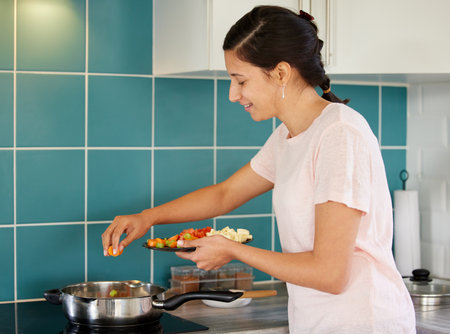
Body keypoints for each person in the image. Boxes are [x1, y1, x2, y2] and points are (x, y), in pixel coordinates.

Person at [102, 6, 415, 333]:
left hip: (365, 322)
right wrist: (147, 218)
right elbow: (225, 194)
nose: (233, 95)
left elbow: (330, 274)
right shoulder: (289, 136)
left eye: (240, 80)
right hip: (319, 322)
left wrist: (233, 251)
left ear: (281, 73)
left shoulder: (340, 134)